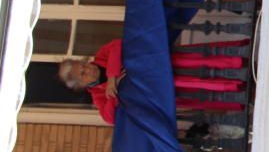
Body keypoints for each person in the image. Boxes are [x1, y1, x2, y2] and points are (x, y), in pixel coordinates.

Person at [58, 39, 247, 124]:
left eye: (83, 65)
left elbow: (117, 46)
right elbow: (110, 117)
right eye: (82, 74)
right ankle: (239, 90)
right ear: (81, 85)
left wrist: (112, 77)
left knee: (204, 64)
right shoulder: (98, 96)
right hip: (165, 89)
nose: (88, 69)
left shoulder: (102, 55)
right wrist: (113, 94)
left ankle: (239, 63)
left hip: (165, 64)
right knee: (202, 88)